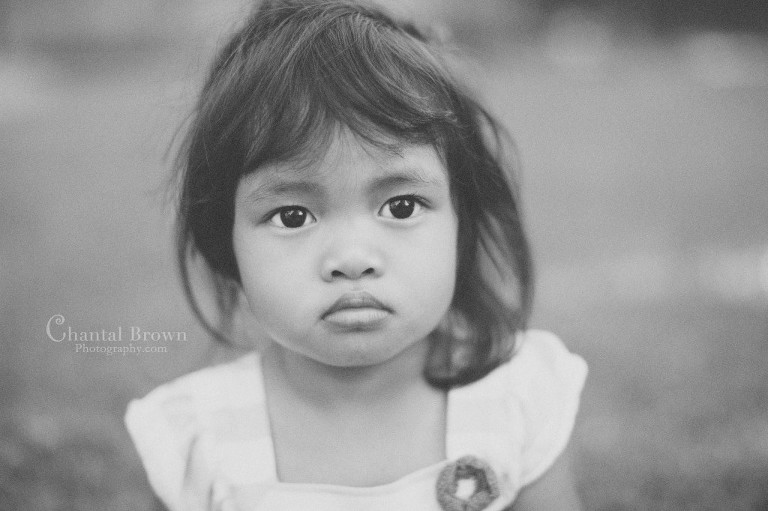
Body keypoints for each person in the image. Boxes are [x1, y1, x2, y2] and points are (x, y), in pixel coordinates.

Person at [125, 1, 588, 509]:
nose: (352, 258)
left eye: (402, 205)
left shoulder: (519, 397)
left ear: (461, 221)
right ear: (225, 244)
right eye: (293, 216)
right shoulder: (195, 440)